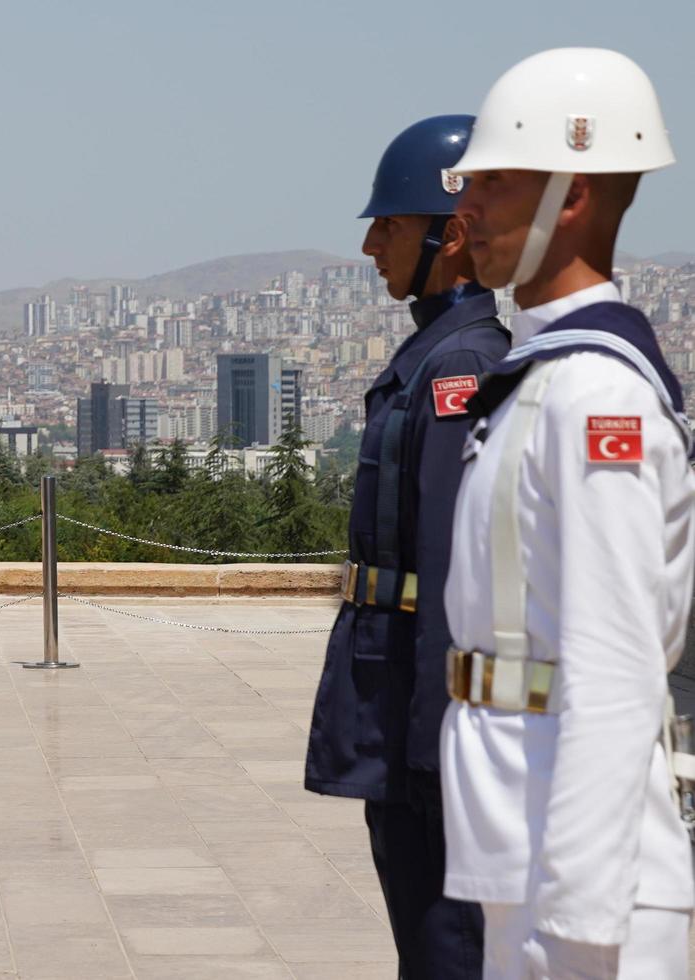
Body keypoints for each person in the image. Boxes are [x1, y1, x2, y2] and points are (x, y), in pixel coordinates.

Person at [440, 48, 694, 978]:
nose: (466, 205)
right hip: (524, 844)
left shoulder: (595, 399)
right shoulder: (547, 378)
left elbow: (617, 667)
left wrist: (583, 915)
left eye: (495, 180)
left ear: (572, 196)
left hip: (582, 875)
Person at [304, 116, 507, 977]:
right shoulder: (431, 356)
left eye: (386, 223)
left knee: (445, 951)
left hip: (424, 724)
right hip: (398, 708)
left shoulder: (462, 367)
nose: (368, 245)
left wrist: (435, 755)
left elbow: (455, 576)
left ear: (449, 234)